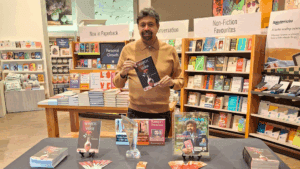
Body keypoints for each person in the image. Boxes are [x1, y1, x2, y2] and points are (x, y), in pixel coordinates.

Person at [113, 7, 183, 139]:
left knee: (160, 154)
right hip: (135, 113)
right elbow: (117, 83)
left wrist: (172, 83)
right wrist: (123, 73)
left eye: (150, 24)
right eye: (142, 25)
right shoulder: (128, 50)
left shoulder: (169, 51)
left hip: (161, 113)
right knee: (134, 151)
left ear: (157, 27)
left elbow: (181, 81)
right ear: (138, 27)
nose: (146, 28)